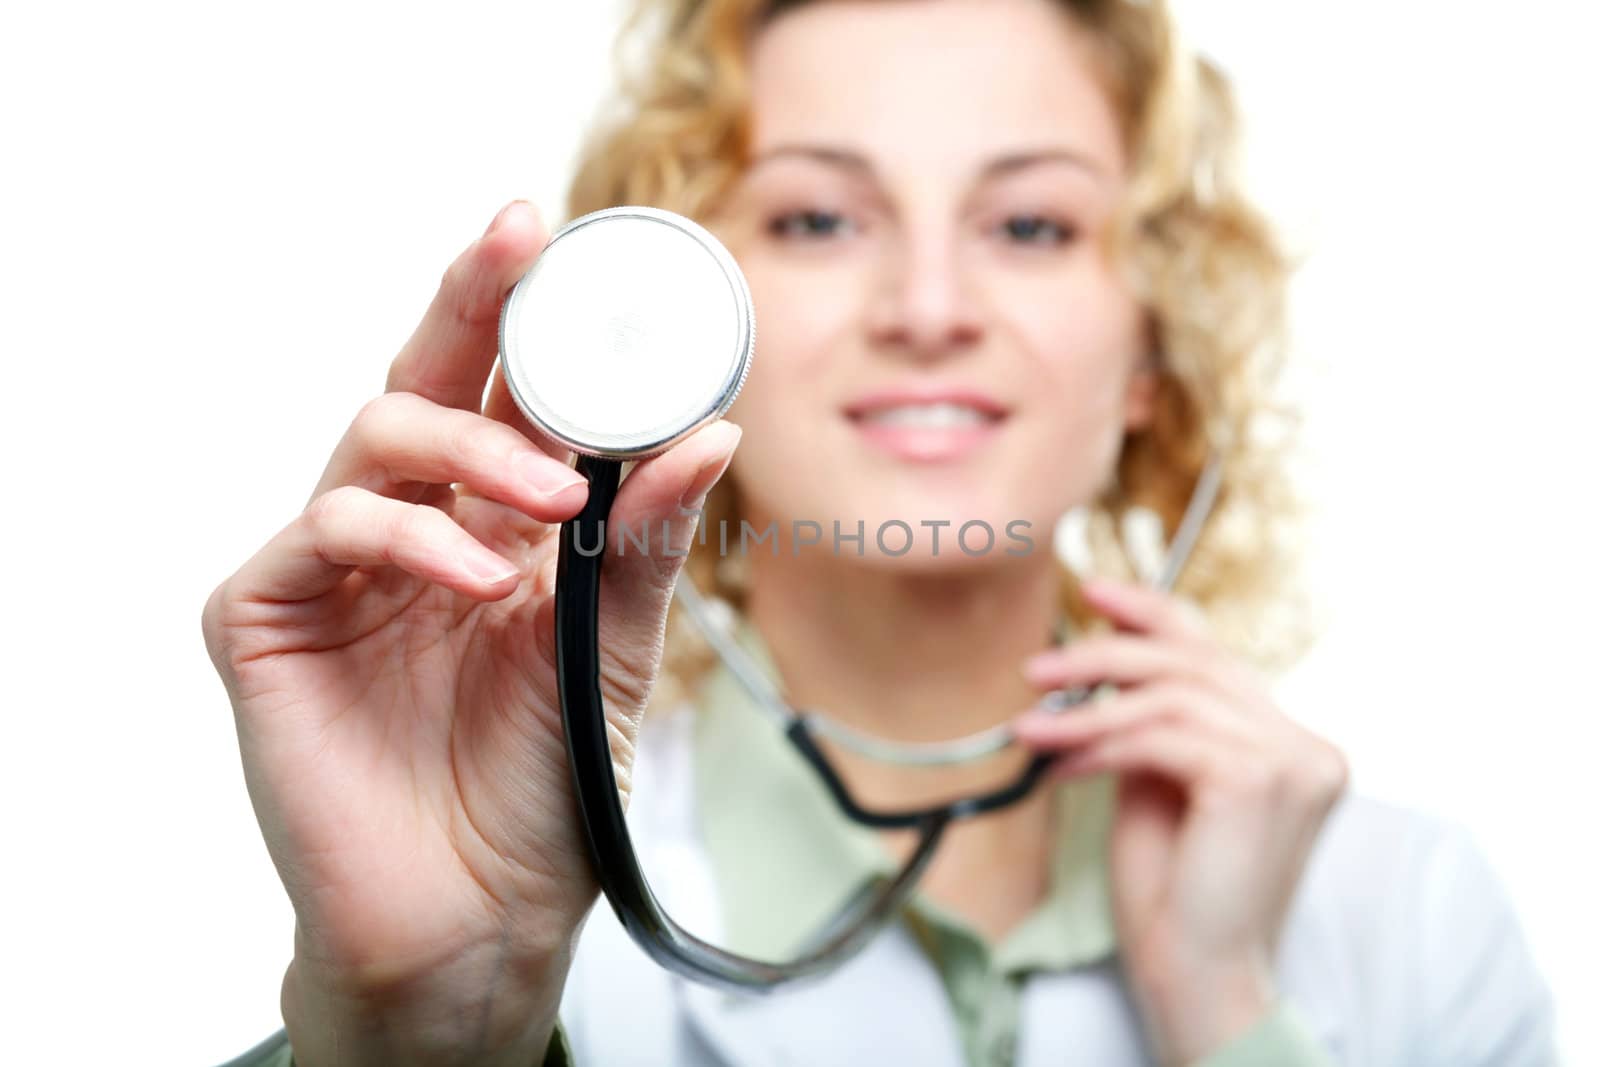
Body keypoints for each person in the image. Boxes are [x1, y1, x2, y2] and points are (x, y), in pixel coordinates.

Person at [206, 0, 1557, 1064]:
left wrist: (1224, 1016)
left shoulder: (1411, 923)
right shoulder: (489, 878)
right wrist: (421, 1036)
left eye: (1029, 223)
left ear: (1159, 345)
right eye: (818, 219)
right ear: (690, 332)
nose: (926, 305)